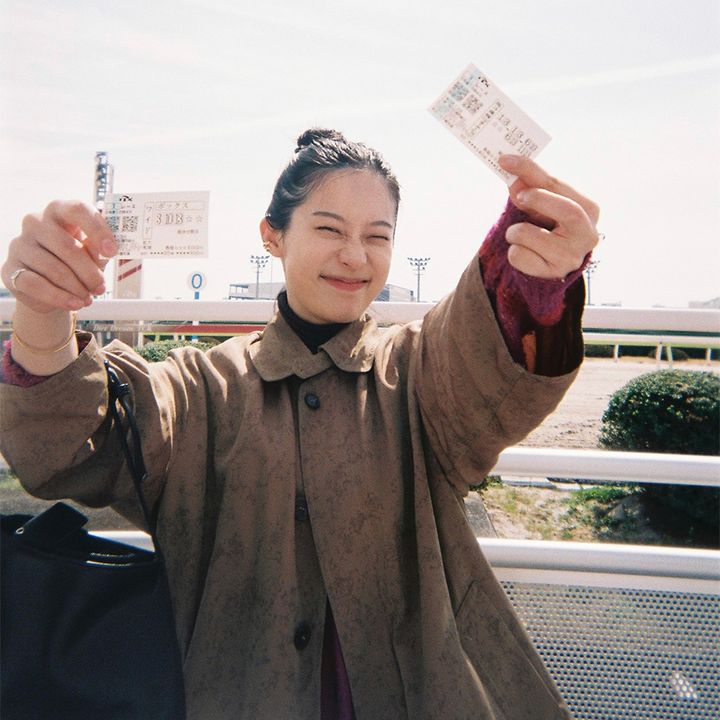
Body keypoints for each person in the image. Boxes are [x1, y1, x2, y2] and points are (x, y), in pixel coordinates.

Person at [1, 128, 600, 719]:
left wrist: (532, 271)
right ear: (273, 235)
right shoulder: (200, 386)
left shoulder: (418, 371)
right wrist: (41, 314)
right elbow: (73, 443)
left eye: (378, 236)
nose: (355, 255)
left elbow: (480, 352)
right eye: (329, 229)